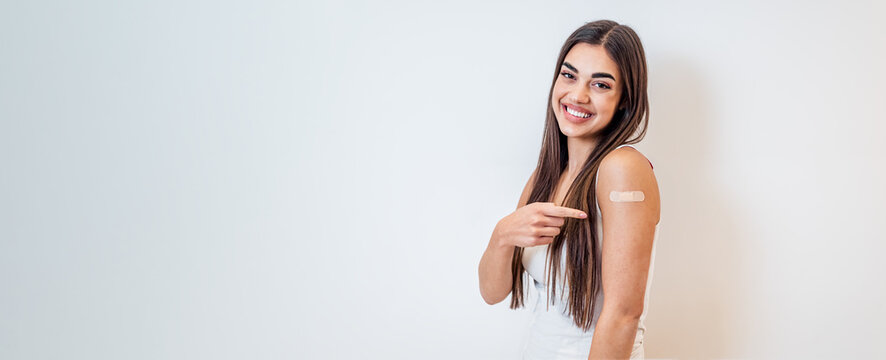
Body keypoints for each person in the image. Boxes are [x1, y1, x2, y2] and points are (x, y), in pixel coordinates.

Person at [477, 20, 660, 359]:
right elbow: (492, 292)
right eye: (569, 75)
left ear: (625, 100)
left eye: (601, 85)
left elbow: (623, 315)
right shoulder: (545, 177)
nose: (578, 95)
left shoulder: (623, 168)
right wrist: (501, 235)